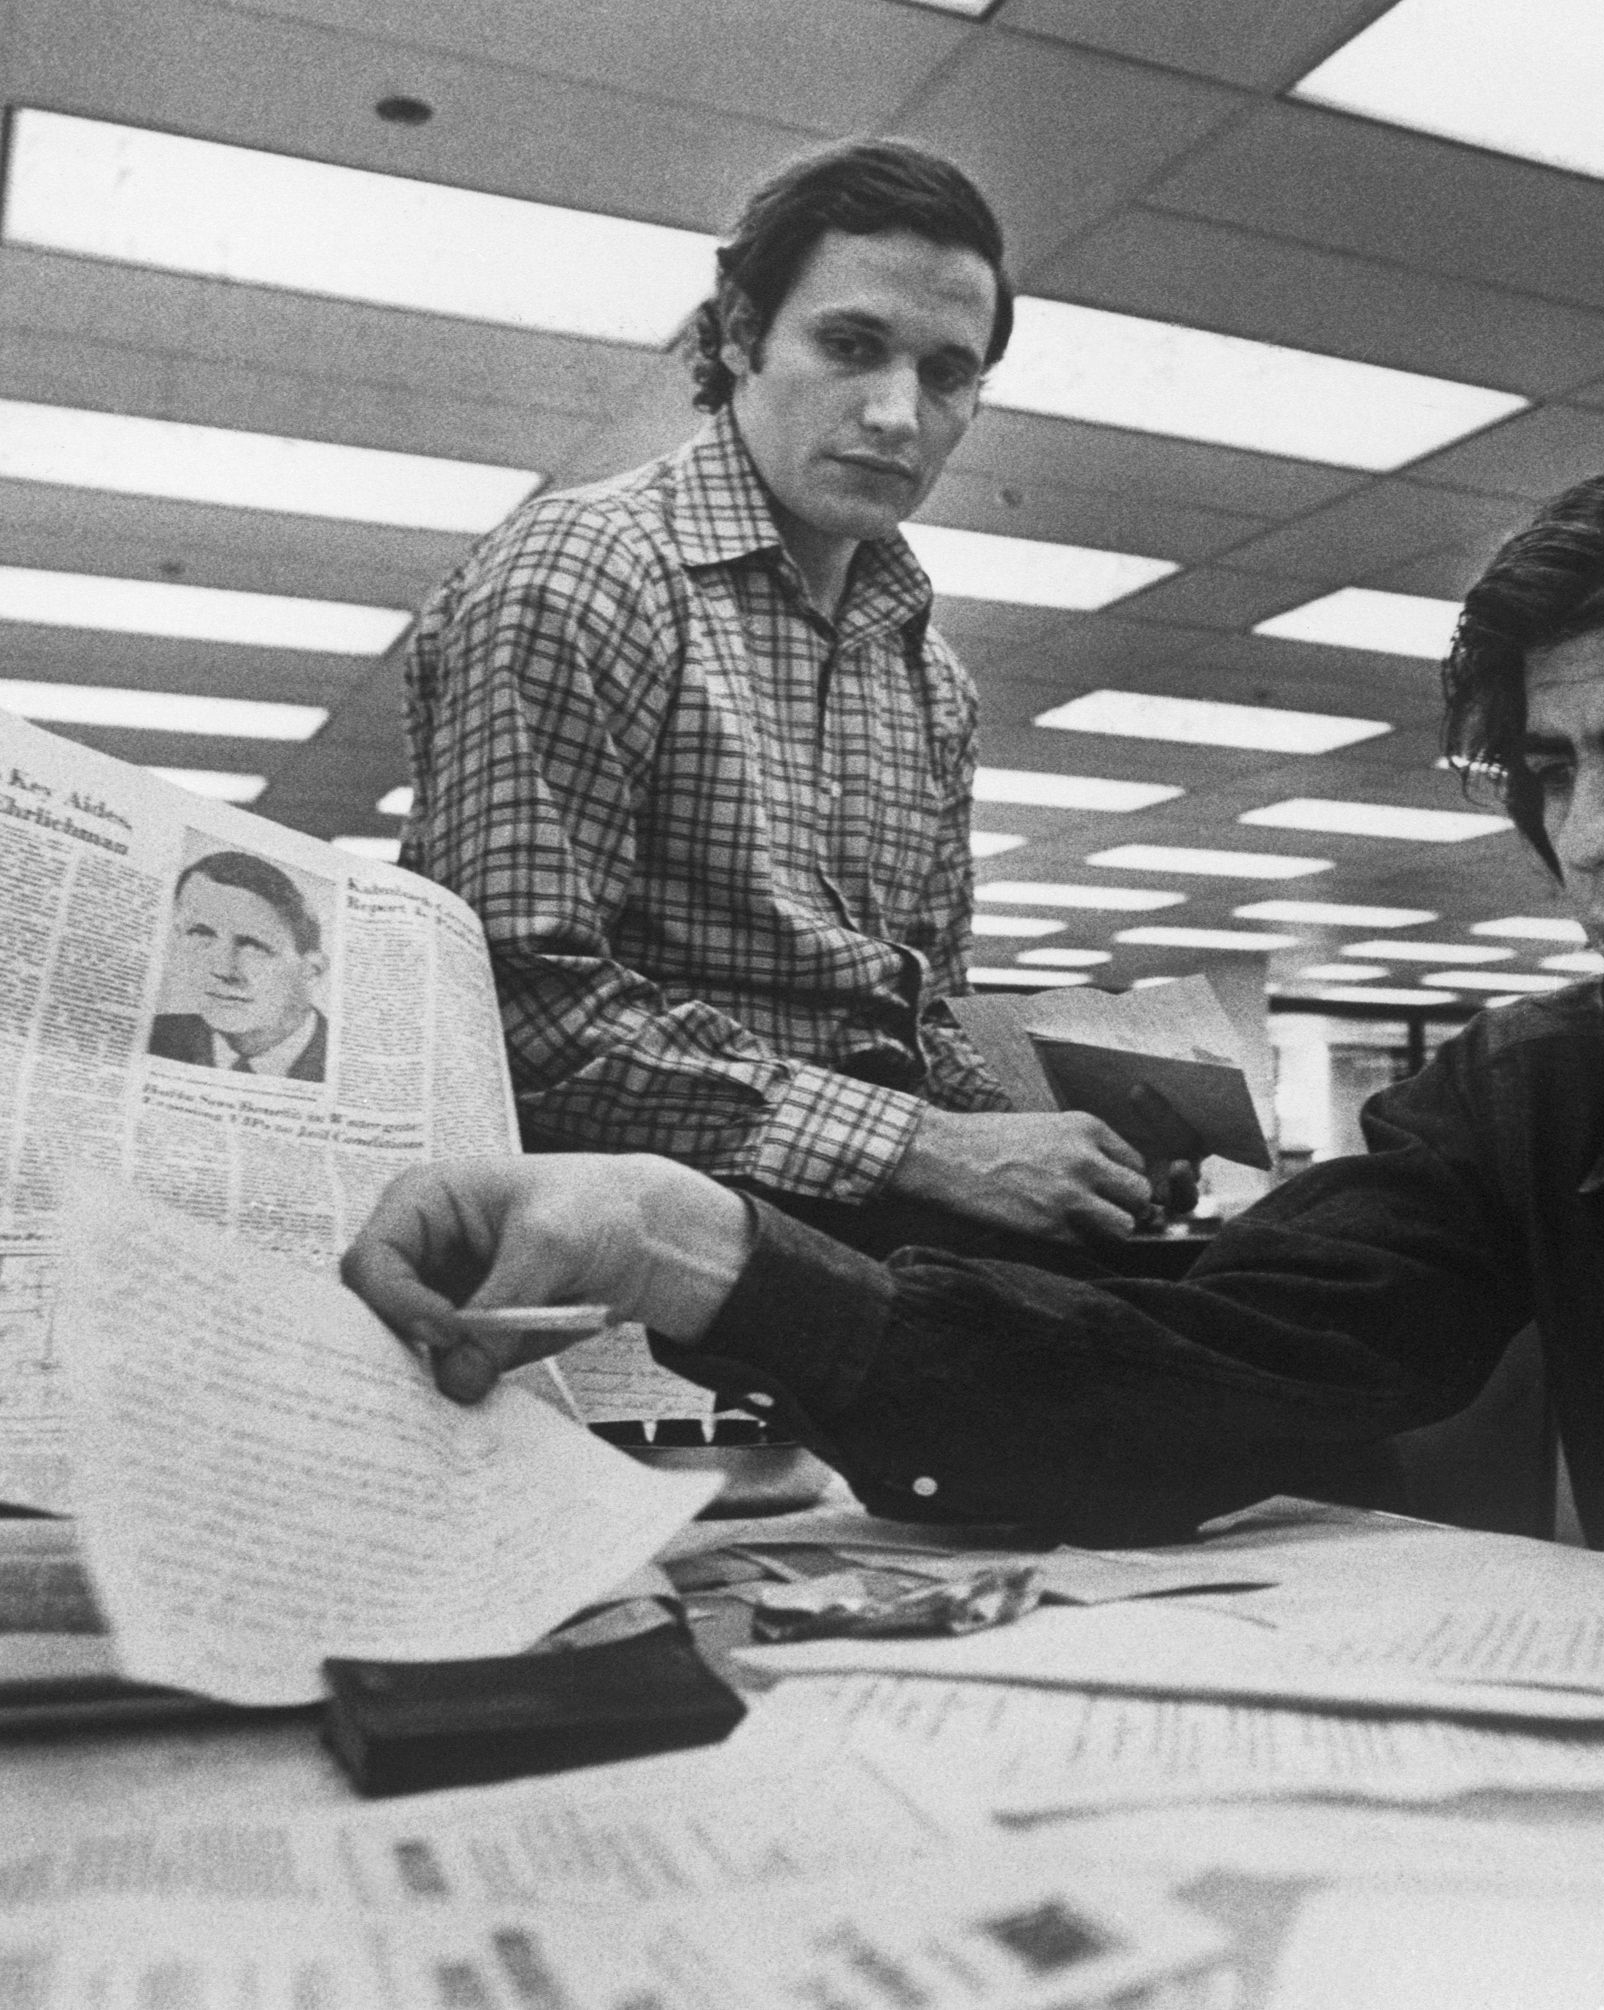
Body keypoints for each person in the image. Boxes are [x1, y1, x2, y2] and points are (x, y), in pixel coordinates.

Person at [348, 434, 1604, 1663]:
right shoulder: (1548, 1091)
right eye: (1553, 768)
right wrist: (690, 1242)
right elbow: (1184, 1381)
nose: (1588, 841)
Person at [399, 138, 1159, 1262]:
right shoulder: (589, 572)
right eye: (851, 346)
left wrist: (1057, 1145)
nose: (897, 413)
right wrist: (923, 1145)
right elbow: (521, 1015)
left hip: (870, 1237)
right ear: (739, 334)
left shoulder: (930, 676)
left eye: (946, 374)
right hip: (640, 1245)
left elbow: (921, 1015)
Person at [147, 850, 331, 1082]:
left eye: (253, 946)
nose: (223, 970)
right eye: (201, 934)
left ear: (312, 971)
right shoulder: (153, 1038)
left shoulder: (341, 1059)